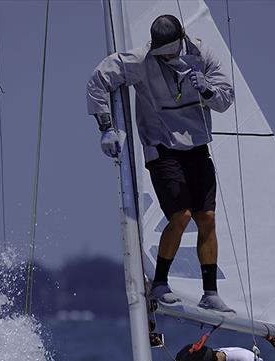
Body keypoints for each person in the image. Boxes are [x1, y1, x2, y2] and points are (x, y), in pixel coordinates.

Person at [86, 14, 235, 312]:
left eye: (168, 51)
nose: (164, 57)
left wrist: (206, 89)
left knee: (206, 218)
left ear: (181, 39)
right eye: (159, 52)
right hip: (162, 148)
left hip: (197, 145)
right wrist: (105, 126)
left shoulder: (202, 55)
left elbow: (226, 99)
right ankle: (161, 284)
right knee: (181, 216)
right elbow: (100, 78)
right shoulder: (142, 59)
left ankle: (210, 292)